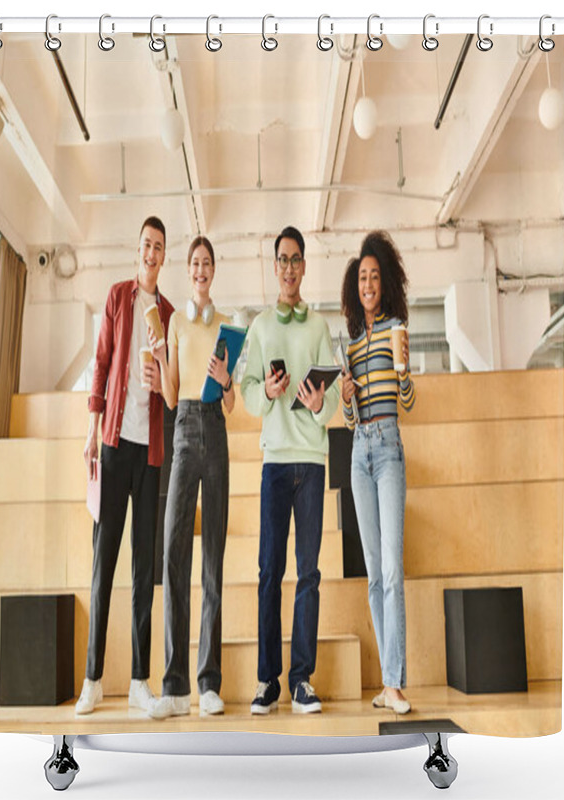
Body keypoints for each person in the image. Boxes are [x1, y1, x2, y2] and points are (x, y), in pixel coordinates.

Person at [76, 216, 174, 715]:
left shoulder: (169, 314)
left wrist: (162, 380)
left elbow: (173, 390)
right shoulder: (117, 298)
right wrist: (92, 432)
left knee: (143, 570)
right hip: (114, 445)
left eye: (159, 246)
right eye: (146, 245)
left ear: (164, 255)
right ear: (137, 250)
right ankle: (92, 679)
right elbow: (100, 362)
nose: (151, 253)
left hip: (150, 454)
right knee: (103, 564)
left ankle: (140, 681)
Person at [240, 226, 340, 715]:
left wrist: (321, 401)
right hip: (276, 463)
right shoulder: (260, 328)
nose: (289, 267)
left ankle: (302, 680)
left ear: (304, 266)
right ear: (274, 265)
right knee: (268, 572)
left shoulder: (319, 327)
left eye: (296, 259)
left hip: (313, 461)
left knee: (309, 573)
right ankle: (267, 681)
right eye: (282, 259)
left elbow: (335, 396)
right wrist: (270, 393)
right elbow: (247, 392)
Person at [148, 236, 235, 719]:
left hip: (216, 431)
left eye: (208, 262)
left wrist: (225, 381)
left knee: (213, 561)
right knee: (173, 554)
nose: (201, 269)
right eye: (195, 263)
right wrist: (162, 362)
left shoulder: (226, 326)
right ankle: (174, 686)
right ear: (188, 270)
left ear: (214, 270)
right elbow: (170, 394)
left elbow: (231, 402)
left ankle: (207, 683)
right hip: (183, 427)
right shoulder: (175, 322)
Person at [340, 230, 415, 715]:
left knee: (392, 570)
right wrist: (346, 400)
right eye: (361, 277)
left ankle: (394, 683)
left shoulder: (396, 330)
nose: (368, 283)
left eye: (374, 276)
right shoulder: (350, 345)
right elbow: (350, 418)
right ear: (355, 287)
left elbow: (406, 402)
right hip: (358, 452)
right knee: (372, 574)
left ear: (383, 284)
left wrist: (405, 374)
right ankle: (390, 679)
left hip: (388, 449)